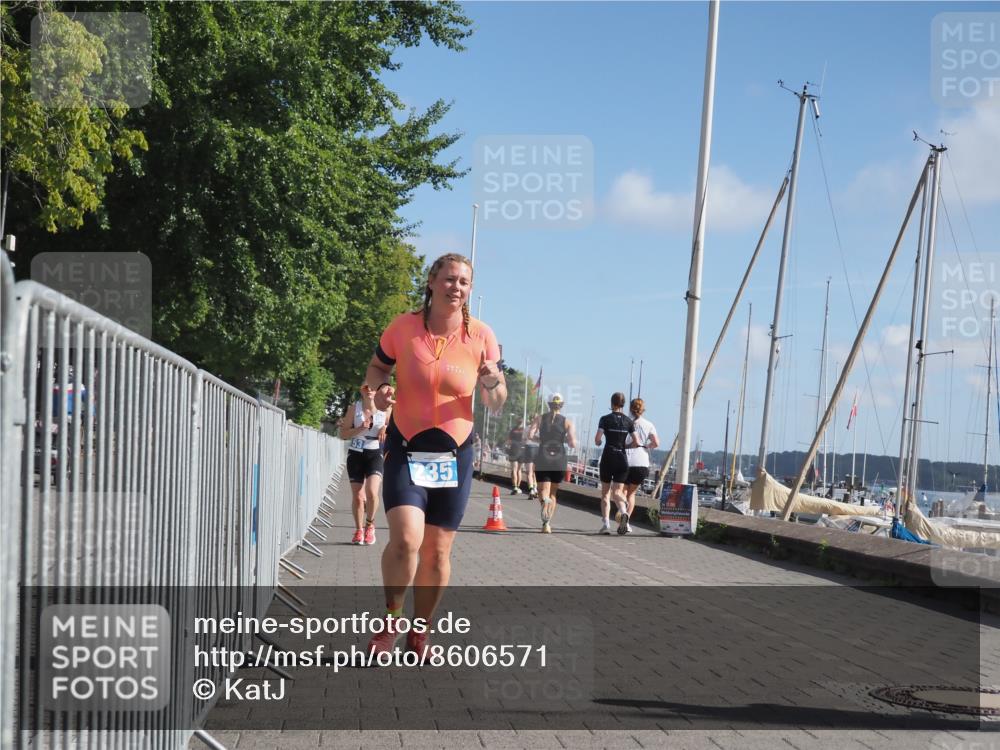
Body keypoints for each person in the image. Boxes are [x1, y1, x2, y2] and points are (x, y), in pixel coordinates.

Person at [364, 253, 507, 656]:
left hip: (454, 454)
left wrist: (493, 382)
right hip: (407, 448)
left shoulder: (481, 336)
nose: (455, 287)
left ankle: (420, 630)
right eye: (448, 279)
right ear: (431, 281)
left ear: (471, 290)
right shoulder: (403, 327)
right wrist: (378, 392)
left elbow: (496, 402)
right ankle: (390, 623)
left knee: (438, 551)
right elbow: (377, 368)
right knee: (407, 540)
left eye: (463, 282)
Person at [338, 385, 390, 545]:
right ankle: (359, 530)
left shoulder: (386, 410)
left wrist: (385, 428)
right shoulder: (355, 409)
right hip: (355, 454)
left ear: (377, 392)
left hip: (374, 454)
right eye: (365, 387)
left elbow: (394, 429)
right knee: (359, 497)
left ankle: (370, 526)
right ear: (361, 391)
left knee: (372, 492)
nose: (368, 390)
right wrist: (360, 428)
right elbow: (343, 434)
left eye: (372, 387)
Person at [527, 394, 576, 533]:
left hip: (543, 455)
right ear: (562, 405)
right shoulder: (567, 422)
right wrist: (562, 440)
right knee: (553, 492)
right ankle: (547, 524)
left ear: (549, 404)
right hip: (559, 458)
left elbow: (530, 435)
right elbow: (572, 442)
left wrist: (540, 440)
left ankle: (544, 501)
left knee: (543, 490)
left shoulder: (540, 418)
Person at [595, 392, 641, 535]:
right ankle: (623, 510)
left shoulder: (605, 419)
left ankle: (606, 525)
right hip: (622, 459)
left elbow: (597, 439)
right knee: (617, 492)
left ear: (612, 403)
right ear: (623, 404)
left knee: (605, 494)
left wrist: (600, 442)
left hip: (608, 457)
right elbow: (637, 442)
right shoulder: (629, 421)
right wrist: (626, 446)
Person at [623, 397, 658, 534]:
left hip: (625, 459)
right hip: (641, 461)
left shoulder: (625, 422)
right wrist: (646, 446)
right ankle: (626, 521)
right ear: (643, 409)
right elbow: (656, 443)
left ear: (630, 409)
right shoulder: (649, 425)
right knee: (631, 494)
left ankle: (621, 510)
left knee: (621, 492)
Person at [506, 422, 525, 495]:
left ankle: (515, 487)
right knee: (519, 470)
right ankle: (518, 487)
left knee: (514, 469)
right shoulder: (524, 430)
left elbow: (509, 441)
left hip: (514, 450)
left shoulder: (512, 430)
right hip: (522, 450)